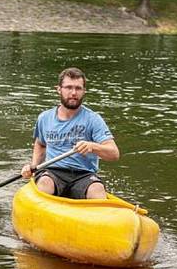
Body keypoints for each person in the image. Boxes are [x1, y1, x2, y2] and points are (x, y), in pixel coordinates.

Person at [20, 67, 119, 199]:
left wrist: (93, 146)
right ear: (59, 89)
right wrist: (33, 166)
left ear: (84, 91)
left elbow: (114, 154)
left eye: (78, 88)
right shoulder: (44, 118)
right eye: (68, 87)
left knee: (97, 189)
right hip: (53, 172)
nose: (73, 93)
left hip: (83, 175)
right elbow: (41, 144)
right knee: (44, 183)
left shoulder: (94, 119)